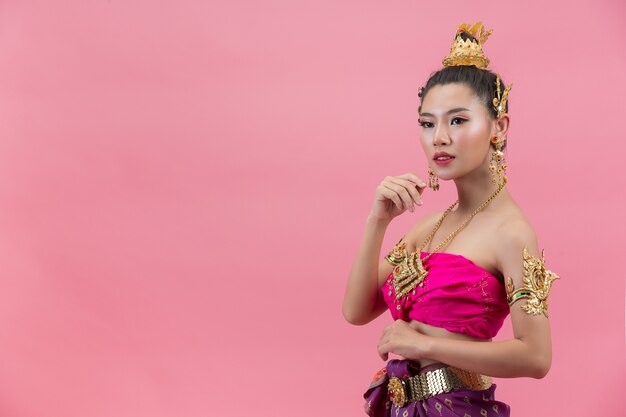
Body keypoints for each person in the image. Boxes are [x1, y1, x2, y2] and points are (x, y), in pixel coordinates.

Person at [341, 22, 561, 417]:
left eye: (457, 120)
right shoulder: (430, 225)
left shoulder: (511, 232)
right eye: (428, 123)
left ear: (498, 127)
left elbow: (536, 356)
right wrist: (378, 221)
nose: (439, 137)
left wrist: (424, 346)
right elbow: (356, 311)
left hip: (457, 409)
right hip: (398, 407)